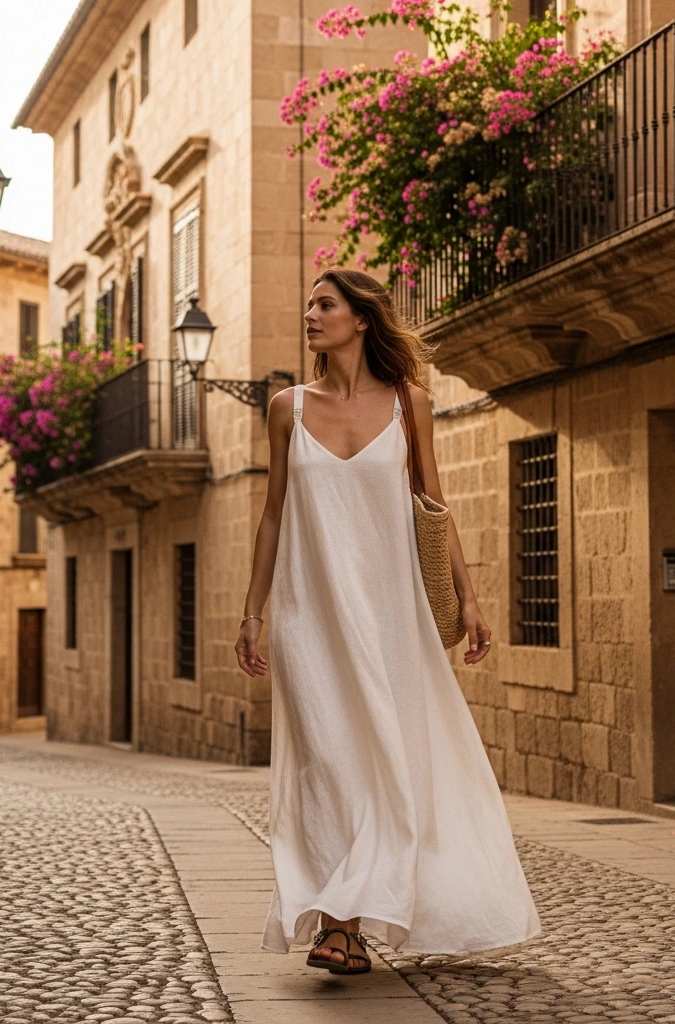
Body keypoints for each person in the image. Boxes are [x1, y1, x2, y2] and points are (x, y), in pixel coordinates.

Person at [235, 268, 541, 974]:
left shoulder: (412, 405)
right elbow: (275, 511)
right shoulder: (287, 408)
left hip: (391, 615)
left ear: (361, 319)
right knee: (329, 765)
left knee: (387, 766)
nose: (310, 313)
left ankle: (348, 925)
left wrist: (469, 598)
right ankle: (339, 920)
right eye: (308, 302)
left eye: (325, 304)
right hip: (309, 615)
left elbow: (433, 506)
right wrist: (253, 611)